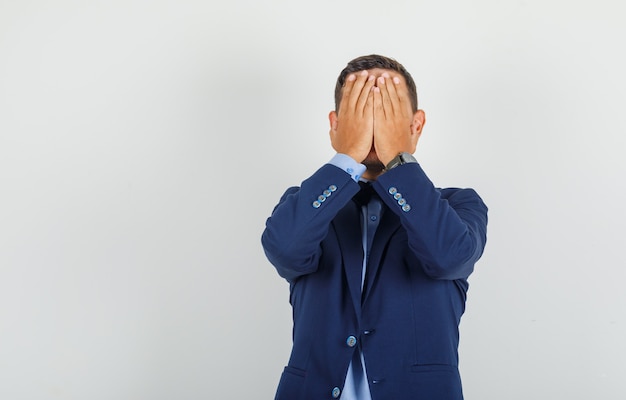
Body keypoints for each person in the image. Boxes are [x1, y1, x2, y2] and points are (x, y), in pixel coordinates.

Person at [261, 54, 488, 400]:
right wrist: (346, 157)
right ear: (336, 125)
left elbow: (448, 257)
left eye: (386, 111)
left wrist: (397, 157)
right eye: (361, 112)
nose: (373, 126)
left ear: (415, 126)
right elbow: (284, 249)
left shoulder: (458, 206)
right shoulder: (306, 203)